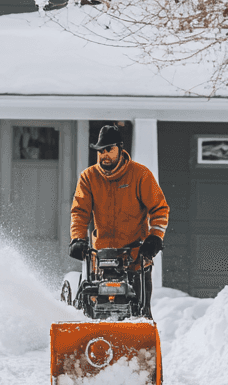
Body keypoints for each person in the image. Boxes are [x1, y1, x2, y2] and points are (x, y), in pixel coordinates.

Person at [69, 125, 169, 317]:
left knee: (140, 313)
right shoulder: (89, 177)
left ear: (120, 148)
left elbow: (159, 208)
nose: (104, 154)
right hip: (101, 257)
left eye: (109, 149)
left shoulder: (140, 175)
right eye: (101, 150)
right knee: (90, 309)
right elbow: (80, 212)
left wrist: (155, 236)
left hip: (134, 257)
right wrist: (77, 239)